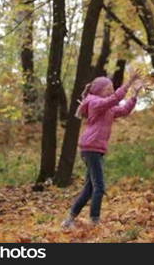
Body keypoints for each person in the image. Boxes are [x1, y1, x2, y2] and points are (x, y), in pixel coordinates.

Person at [61, 70, 142, 228]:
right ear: (99, 90)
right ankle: (94, 220)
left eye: (112, 88)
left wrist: (134, 96)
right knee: (99, 186)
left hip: (95, 149)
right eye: (108, 88)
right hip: (91, 148)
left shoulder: (107, 108)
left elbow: (123, 110)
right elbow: (115, 99)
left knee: (90, 188)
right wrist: (129, 82)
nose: (111, 91)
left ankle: (69, 220)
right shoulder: (95, 103)